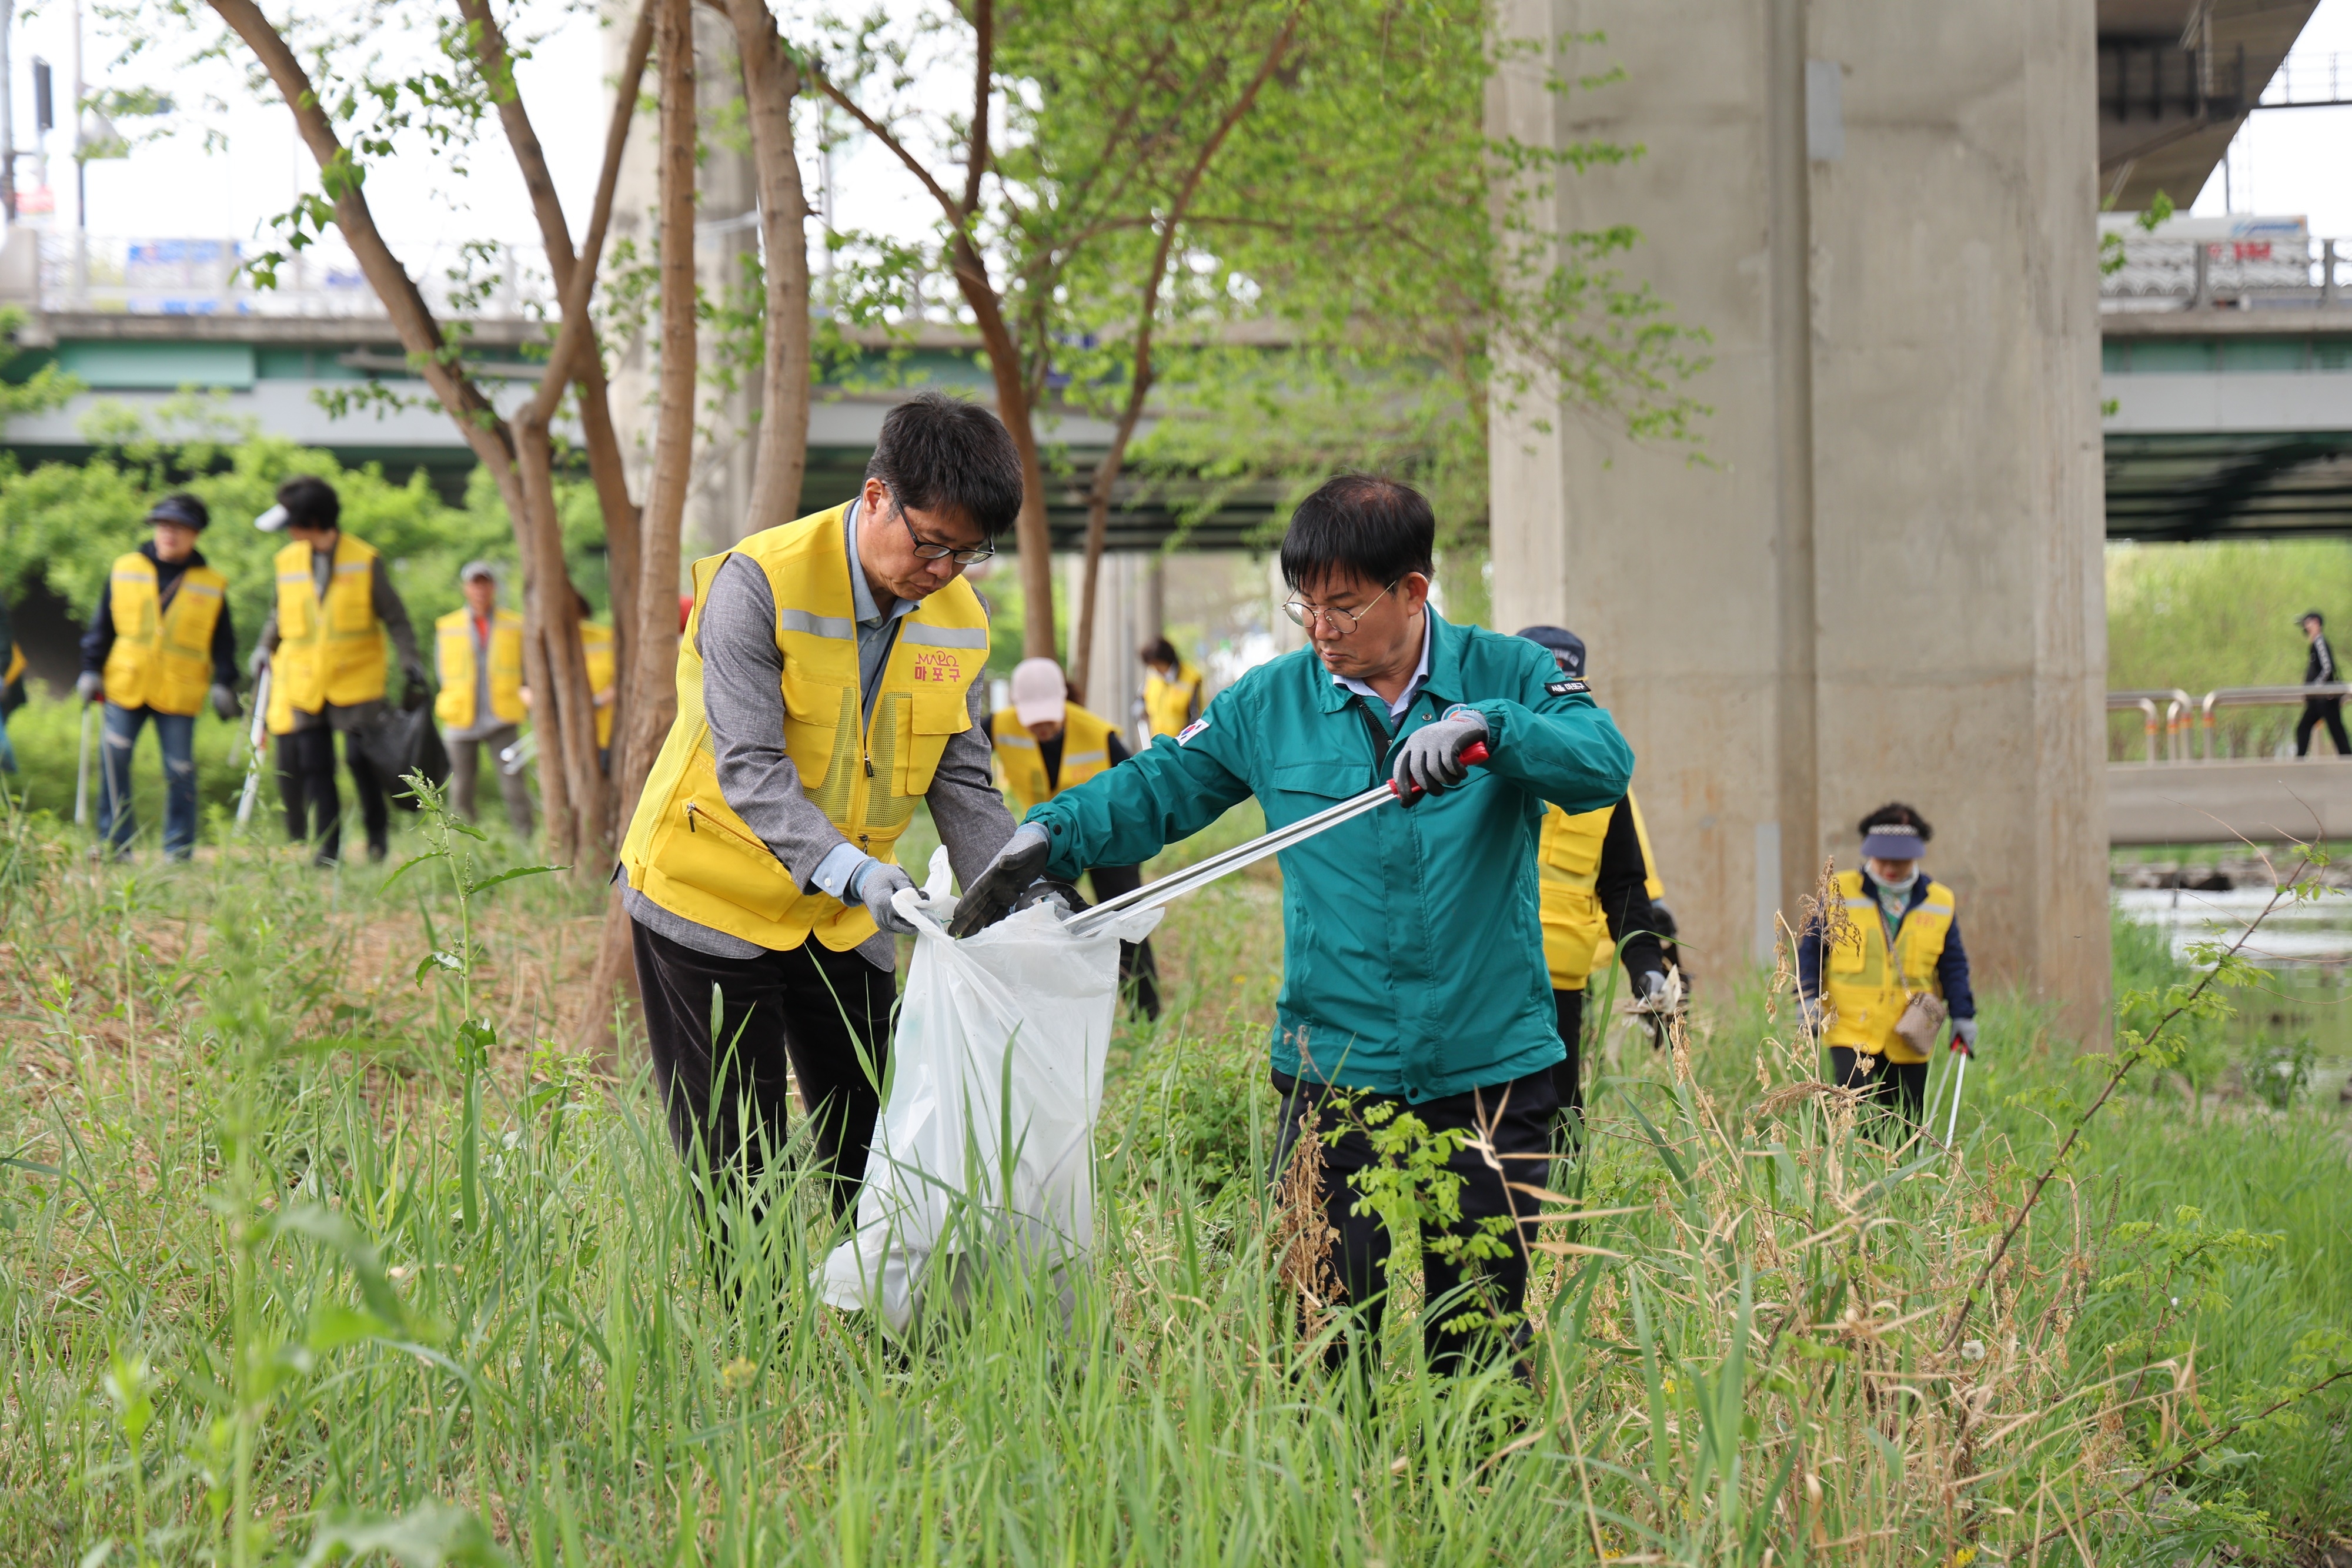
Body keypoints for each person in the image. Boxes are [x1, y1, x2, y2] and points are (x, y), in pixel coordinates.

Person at [956, 474, 1633, 1378]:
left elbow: (1602, 762)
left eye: (1345, 605)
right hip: (1335, 1065)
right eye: (1305, 605)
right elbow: (1160, 784)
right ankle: (1344, 1509)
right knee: (1319, 1332)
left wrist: (1491, 727)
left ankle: (1472, 1507)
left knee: (1478, 1343)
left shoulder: (1511, 673)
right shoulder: (1270, 702)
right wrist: (1048, 835)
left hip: (1490, 1069)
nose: (1321, 628)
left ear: (1414, 592)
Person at [617, 390, 1023, 1225]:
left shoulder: (961, 618)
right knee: (740, 1164)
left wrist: (1022, 895)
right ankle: (754, 1348)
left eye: (968, 553)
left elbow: (965, 779)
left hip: (847, 913)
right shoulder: (756, 582)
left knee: (876, 1143)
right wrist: (859, 872)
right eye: (931, 543)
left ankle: (879, 1329)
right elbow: (754, 768)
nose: (943, 571)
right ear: (876, 494)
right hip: (711, 895)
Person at [1515, 626, 1676, 1136]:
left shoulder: (1604, 779)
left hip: (1562, 979)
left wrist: (1646, 965)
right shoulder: (1480, 758)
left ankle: (1562, 1215)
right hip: (1486, 971)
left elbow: (1626, 884)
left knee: (1561, 1113)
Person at [253, 474, 429, 867]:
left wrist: (409, 659)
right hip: (305, 681)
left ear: (314, 521)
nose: (289, 533)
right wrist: (264, 649)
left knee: (359, 760)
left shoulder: (365, 559)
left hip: (357, 680)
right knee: (315, 765)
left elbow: (396, 618)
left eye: (293, 524)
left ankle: (377, 836)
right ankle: (327, 848)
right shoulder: (287, 561)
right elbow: (278, 614)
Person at [990, 656, 1162, 1019]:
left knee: (1124, 920)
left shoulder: (1098, 734)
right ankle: (1045, 1008)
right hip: (1050, 842)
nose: (1042, 727)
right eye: (1032, 719)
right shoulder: (997, 726)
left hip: (1110, 839)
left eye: (1049, 717)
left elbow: (1138, 784)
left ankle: (1145, 1014)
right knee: (1041, 920)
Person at [75, 494, 241, 861]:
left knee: (180, 768)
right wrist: (90, 669)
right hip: (125, 682)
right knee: (114, 759)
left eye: (179, 528)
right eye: (164, 526)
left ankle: (179, 849)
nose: (170, 534)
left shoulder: (212, 583)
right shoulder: (124, 568)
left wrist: (224, 682)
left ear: (196, 534)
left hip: (180, 689)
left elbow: (224, 641)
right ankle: (115, 843)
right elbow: (101, 626)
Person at [1794, 803, 1977, 1129]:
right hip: (1850, 1027)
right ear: (1869, 852)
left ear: (1917, 854)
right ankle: (1845, 1176)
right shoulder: (1839, 891)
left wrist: (1964, 1014)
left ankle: (1901, 1176)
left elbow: (1953, 965)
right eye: (1884, 859)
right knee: (1848, 1118)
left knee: (1906, 1123)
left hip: (1910, 1030)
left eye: (1901, 859)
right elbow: (1810, 951)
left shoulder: (1940, 901)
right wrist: (1807, 998)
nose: (1891, 867)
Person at [434, 561, 535, 836]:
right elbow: (440, 670)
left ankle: (525, 838)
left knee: (514, 784)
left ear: (493, 587)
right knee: (459, 786)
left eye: (485, 583)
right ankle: (462, 845)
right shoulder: (447, 626)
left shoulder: (515, 624)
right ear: (466, 588)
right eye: (475, 583)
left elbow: (529, 668)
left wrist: (528, 690)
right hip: (460, 716)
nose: (480, 589)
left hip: (501, 713)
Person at [2297, 611, 2349, 757]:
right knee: (2306, 728)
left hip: (2325, 699)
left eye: (2307, 623)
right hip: (2320, 699)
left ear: (2316, 623)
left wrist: (2316, 688)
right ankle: (2300, 761)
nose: (2305, 627)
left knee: (2336, 731)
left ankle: (2347, 761)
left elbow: (2327, 667)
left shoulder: (2320, 642)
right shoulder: (2316, 643)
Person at [1140, 637, 1204, 742]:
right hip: (1156, 742)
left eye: (1157, 665)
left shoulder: (1191, 678)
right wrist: (1140, 705)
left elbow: (1195, 716)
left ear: (1166, 660)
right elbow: (1141, 696)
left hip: (1179, 744)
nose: (1156, 669)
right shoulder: (1152, 674)